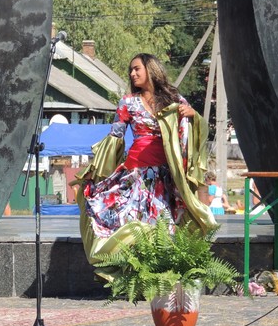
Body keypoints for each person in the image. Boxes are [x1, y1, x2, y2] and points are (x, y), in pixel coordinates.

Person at [77, 53, 216, 278]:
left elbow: (191, 131)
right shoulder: (128, 102)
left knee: (163, 225)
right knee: (132, 223)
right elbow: (115, 137)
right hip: (137, 172)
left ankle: (160, 277)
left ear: (151, 70)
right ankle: (135, 277)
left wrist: (192, 116)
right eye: (131, 70)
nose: (132, 74)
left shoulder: (175, 99)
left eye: (137, 69)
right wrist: (97, 171)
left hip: (166, 175)